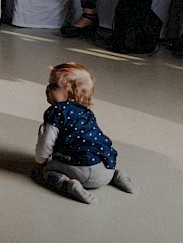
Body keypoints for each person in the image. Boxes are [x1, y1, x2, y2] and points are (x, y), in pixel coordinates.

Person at [32, 63, 135, 204]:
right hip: (106, 167)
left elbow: (45, 143)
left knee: (47, 172)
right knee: (91, 154)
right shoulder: (86, 113)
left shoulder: (56, 113)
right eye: (49, 83)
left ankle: (70, 185)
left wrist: (39, 163)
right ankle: (116, 176)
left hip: (82, 173)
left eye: (54, 85)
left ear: (72, 96)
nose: (48, 88)